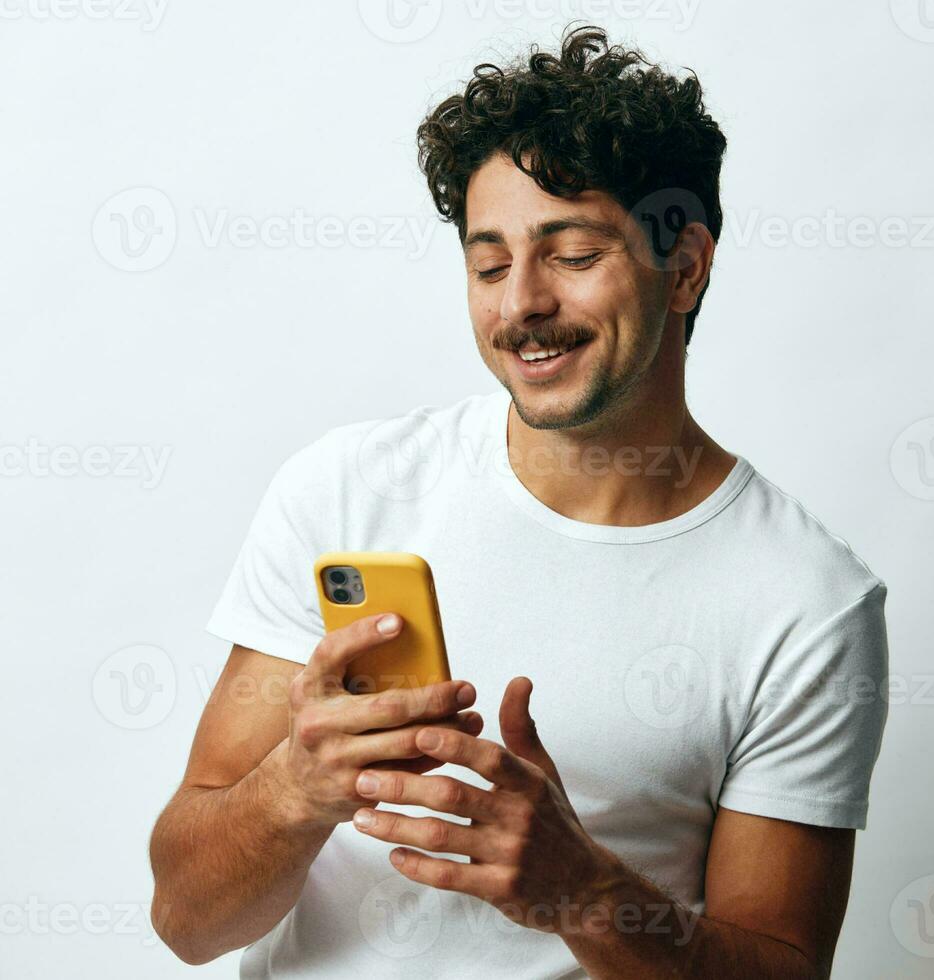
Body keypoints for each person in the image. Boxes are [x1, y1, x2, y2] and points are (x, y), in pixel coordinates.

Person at [148, 25, 889, 978]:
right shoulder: (344, 492)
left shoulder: (806, 602)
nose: (519, 305)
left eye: (572, 254)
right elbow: (185, 921)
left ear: (687, 266)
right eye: (489, 264)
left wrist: (584, 893)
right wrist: (297, 786)